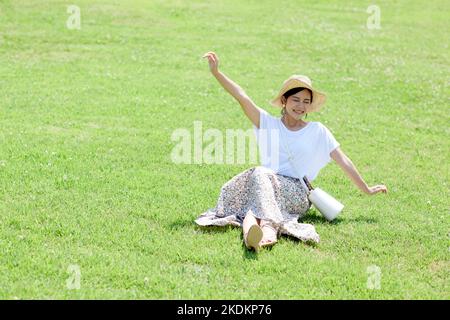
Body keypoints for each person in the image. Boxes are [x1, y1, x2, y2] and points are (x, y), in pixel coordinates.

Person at [195, 51, 388, 251]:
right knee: (256, 194)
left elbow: (343, 160)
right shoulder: (267, 123)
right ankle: (251, 235)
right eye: (296, 100)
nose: (301, 106)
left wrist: (367, 189)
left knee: (259, 175)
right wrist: (216, 72)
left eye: (306, 101)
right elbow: (241, 96)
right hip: (266, 186)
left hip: (296, 192)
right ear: (285, 101)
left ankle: (268, 228)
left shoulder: (317, 130)